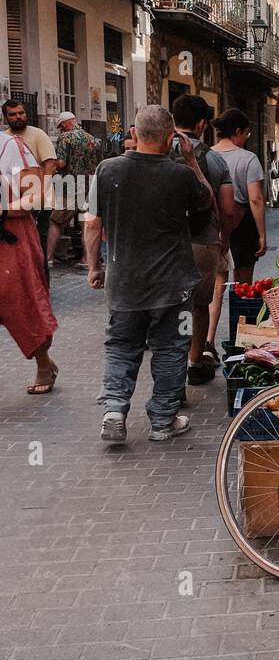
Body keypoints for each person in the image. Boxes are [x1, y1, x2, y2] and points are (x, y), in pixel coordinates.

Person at [83, 105, 212, 445]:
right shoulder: (181, 175)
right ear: (172, 139)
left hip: (125, 282)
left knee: (121, 346)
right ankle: (162, 420)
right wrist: (191, 160)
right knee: (171, 349)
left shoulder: (106, 170)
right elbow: (206, 203)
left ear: (134, 135)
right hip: (173, 286)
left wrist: (94, 265)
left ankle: (114, 410)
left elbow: (93, 223)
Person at [170, 94, 234, 385]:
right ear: (201, 124)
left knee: (169, 308)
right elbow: (227, 208)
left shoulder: (155, 151)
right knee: (198, 305)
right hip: (202, 241)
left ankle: (170, 372)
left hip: (165, 242)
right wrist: (225, 238)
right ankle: (195, 362)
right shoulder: (214, 159)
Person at [0, 125, 58, 393]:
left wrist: (3, 211)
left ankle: (44, 363)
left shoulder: (11, 147)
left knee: (21, 304)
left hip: (11, 236)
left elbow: (35, 196)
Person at [1, 100, 58, 276]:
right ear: (6, 117)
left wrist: (42, 194)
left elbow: (50, 164)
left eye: (21, 113)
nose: (18, 117)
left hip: (37, 198)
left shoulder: (37, 134)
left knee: (38, 245)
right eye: (13, 114)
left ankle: (42, 284)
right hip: (15, 204)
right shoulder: (6, 138)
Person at [211, 108, 266, 283]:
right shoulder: (248, 159)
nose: (246, 139)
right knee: (243, 281)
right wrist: (262, 234)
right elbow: (255, 199)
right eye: (247, 134)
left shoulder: (207, 155)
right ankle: (240, 311)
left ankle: (214, 312)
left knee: (217, 282)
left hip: (215, 223)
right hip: (242, 225)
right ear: (238, 132)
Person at [49, 111, 100, 265]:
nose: (60, 130)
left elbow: (62, 163)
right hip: (90, 184)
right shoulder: (92, 139)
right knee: (87, 223)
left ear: (65, 123)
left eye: (60, 126)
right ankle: (87, 260)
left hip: (69, 184)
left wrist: (52, 164)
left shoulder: (65, 138)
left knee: (56, 221)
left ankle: (48, 258)